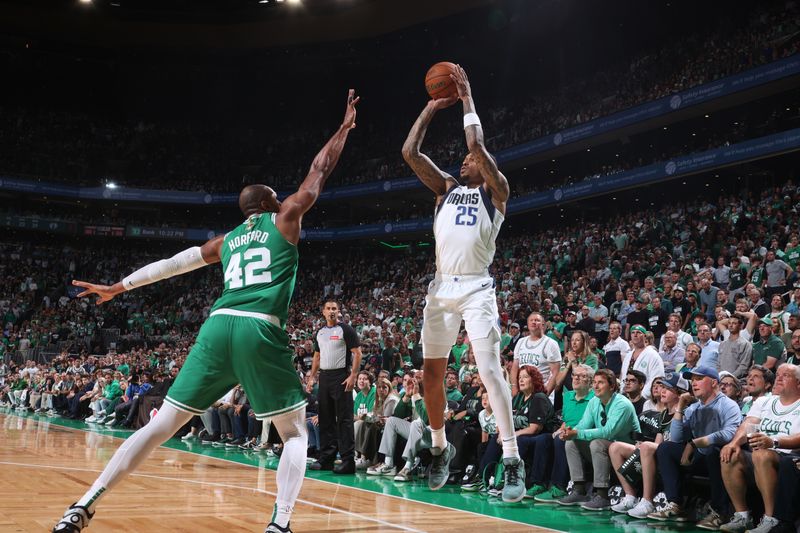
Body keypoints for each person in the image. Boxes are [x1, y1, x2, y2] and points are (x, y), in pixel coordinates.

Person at [52, 90, 360, 533]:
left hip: (217, 327)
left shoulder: (227, 240)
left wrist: (118, 287)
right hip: (259, 328)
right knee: (294, 433)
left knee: (160, 427)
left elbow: (174, 264)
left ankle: (82, 505)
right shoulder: (287, 216)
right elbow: (320, 169)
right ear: (272, 203)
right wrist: (345, 127)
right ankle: (280, 525)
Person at [402, 65, 524, 501]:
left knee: (489, 370)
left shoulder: (498, 192)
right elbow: (410, 152)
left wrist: (468, 97)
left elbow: (476, 142)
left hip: (476, 287)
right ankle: (438, 448)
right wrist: (432, 106)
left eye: (471, 158)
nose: (464, 158)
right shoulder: (446, 189)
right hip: (440, 289)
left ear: (487, 164)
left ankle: (511, 458)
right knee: (430, 374)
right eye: (464, 158)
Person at [648, 367, 742, 525]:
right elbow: (676, 438)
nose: (694, 383)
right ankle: (674, 503)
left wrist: (694, 442)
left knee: (714, 451)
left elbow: (729, 434)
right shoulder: (694, 407)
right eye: (692, 380)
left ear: (713, 382)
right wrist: (680, 407)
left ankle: (720, 512)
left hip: (723, 460)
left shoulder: (728, 405)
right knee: (666, 448)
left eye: (699, 379)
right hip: (700, 457)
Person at [719, 364, 800, 533]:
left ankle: (771, 519)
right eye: (778, 374)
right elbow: (747, 424)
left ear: (798, 383)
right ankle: (742, 516)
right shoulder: (765, 401)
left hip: (788, 458)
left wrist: (774, 442)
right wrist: (733, 444)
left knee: (761, 455)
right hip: (760, 454)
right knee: (730, 454)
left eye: (785, 375)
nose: (779, 378)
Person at [557, 368, 640, 510]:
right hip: (609, 449)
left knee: (597, 443)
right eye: (594, 382)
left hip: (629, 454)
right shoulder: (594, 402)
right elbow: (583, 425)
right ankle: (579, 490)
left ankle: (602, 495)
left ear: (612, 386)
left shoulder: (622, 404)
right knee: (571, 441)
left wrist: (577, 433)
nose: (595, 386)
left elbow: (608, 432)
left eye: (600, 383)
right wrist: (570, 431)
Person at [609, 372, 687, 519]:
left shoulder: (685, 412)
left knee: (646, 446)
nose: (662, 391)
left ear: (679, 393)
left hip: (676, 454)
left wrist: (647, 446)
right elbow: (658, 442)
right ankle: (630, 496)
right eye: (662, 387)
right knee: (615, 447)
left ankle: (647, 501)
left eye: (668, 389)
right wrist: (644, 447)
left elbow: (677, 441)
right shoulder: (664, 414)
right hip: (660, 451)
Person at [306, 300, 363, 474]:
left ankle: (347, 461)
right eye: (329, 309)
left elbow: (358, 353)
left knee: (344, 420)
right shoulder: (320, 332)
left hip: (341, 377)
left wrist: (353, 375)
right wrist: (312, 378)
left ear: (338, 312)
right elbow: (317, 356)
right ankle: (327, 459)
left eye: (335, 309)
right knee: (325, 419)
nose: (332, 311)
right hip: (324, 377)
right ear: (323, 312)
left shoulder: (346, 330)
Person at [511, 312, 562, 397]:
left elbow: (555, 373)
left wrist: (545, 395)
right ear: (528, 324)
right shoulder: (521, 342)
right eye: (531, 320)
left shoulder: (550, 343)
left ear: (543, 324)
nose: (534, 322)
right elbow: (514, 368)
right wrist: (514, 387)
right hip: (523, 393)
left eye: (537, 320)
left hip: (540, 392)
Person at [619, 325, 664, 401]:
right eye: (633, 332)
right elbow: (624, 377)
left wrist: (641, 397)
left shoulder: (653, 355)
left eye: (638, 332)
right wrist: (622, 394)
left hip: (644, 398)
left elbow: (656, 378)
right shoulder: (628, 356)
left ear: (645, 336)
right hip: (627, 398)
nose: (635, 334)